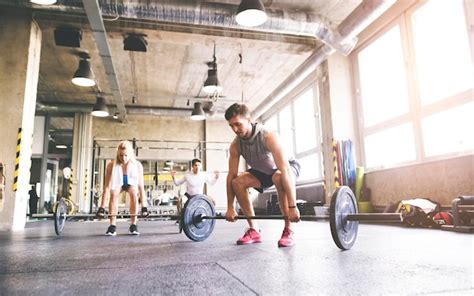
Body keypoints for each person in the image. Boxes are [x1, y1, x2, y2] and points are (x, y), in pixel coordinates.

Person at [224, 103, 301, 247]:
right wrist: (230, 207)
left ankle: (288, 229)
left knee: (278, 177)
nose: (235, 129)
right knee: (237, 182)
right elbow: (231, 176)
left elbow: (285, 170)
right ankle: (254, 230)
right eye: (231, 126)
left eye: (238, 124)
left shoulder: (268, 136)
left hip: (287, 167)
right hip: (263, 171)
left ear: (249, 120)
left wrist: (293, 207)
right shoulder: (235, 145)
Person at [97, 140, 148, 236]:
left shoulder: (137, 165)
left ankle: (133, 225)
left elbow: (141, 187)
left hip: (130, 183)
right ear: (117, 154)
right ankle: (112, 226)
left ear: (130, 154)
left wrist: (144, 207)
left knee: (134, 193)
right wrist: (102, 207)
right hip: (118, 182)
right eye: (121, 155)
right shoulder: (111, 165)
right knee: (113, 194)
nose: (123, 158)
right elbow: (106, 187)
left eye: (126, 155)